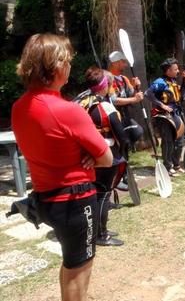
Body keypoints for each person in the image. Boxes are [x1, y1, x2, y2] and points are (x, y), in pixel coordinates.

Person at [12, 34, 113, 301]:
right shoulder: (68, 110)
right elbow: (107, 159)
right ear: (56, 67)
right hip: (76, 202)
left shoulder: (19, 107)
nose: (70, 67)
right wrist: (88, 154)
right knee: (80, 268)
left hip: (46, 199)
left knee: (71, 263)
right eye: (67, 61)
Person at [84, 67, 129, 247]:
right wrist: (125, 147)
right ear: (104, 86)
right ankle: (101, 234)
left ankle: (97, 230)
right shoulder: (105, 105)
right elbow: (120, 134)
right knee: (103, 194)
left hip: (89, 154)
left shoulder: (83, 101)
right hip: (106, 153)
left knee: (96, 193)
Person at [145, 58, 185, 177]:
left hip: (176, 113)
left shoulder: (173, 81)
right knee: (168, 141)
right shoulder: (160, 82)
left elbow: (182, 96)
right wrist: (162, 105)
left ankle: (176, 164)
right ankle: (167, 166)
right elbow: (147, 93)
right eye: (175, 69)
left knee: (180, 141)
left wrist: (184, 80)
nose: (178, 71)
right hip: (164, 116)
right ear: (168, 70)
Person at [108, 51, 144, 190]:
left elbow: (131, 95)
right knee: (119, 145)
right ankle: (117, 177)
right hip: (114, 117)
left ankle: (124, 175)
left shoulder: (123, 78)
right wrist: (134, 99)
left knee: (133, 136)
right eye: (123, 61)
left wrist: (136, 87)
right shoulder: (107, 78)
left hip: (125, 116)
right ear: (116, 62)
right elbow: (113, 100)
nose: (125, 64)